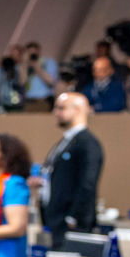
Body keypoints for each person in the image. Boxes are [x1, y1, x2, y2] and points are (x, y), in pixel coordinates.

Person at [35, 92, 104, 248]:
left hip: (70, 225)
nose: (55, 113)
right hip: (54, 222)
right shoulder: (65, 141)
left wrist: (73, 217)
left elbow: (88, 183)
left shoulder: (88, 144)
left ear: (78, 110)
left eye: (61, 108)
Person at [22, 42, 58, 112]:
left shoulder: (49, 62)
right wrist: (24, 65)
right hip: (29, 102)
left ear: (39, 52)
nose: (32, 56)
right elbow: (22, 82)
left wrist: (37, 66)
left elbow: (51, 82)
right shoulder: (26, 66)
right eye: (29, 53)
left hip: (44, 101)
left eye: (34, 53)